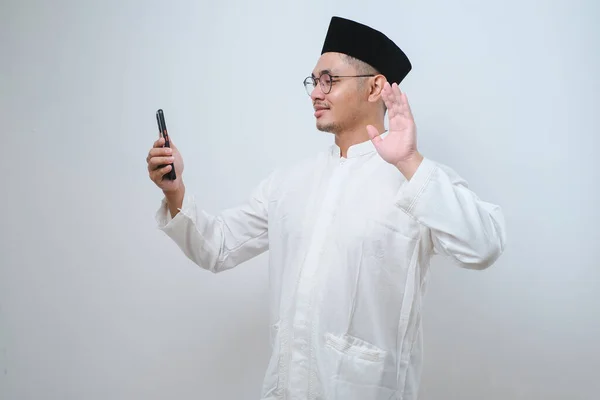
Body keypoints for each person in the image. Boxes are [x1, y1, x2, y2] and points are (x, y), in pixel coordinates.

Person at [146, 16, 506, 400]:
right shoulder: (289, 183)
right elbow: (216, 247)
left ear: (375, 88)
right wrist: (175, 190)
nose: (315, 93)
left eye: (328, 80)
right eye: (313, 81)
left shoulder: (417, 179)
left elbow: (483, 246)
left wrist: (410, 161)